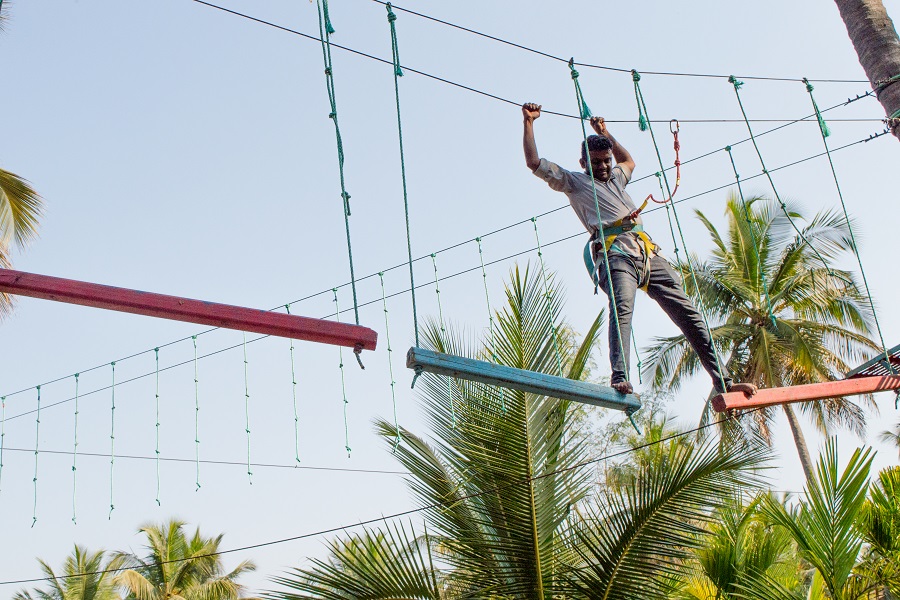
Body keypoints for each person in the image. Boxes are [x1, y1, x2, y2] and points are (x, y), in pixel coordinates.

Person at [521, 102, 756, 398]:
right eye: (597, 162)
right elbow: (534, 163)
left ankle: (723, 381)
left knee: (690, 316)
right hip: (615, 254)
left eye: (606, 160)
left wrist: (605, 132)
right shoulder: (574, 182)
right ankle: (620, 377)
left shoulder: (617, 178)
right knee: (622, 310)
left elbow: (628, 160)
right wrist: (529, 122)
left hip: (647, 255)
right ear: (584, 163)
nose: (604, 166)